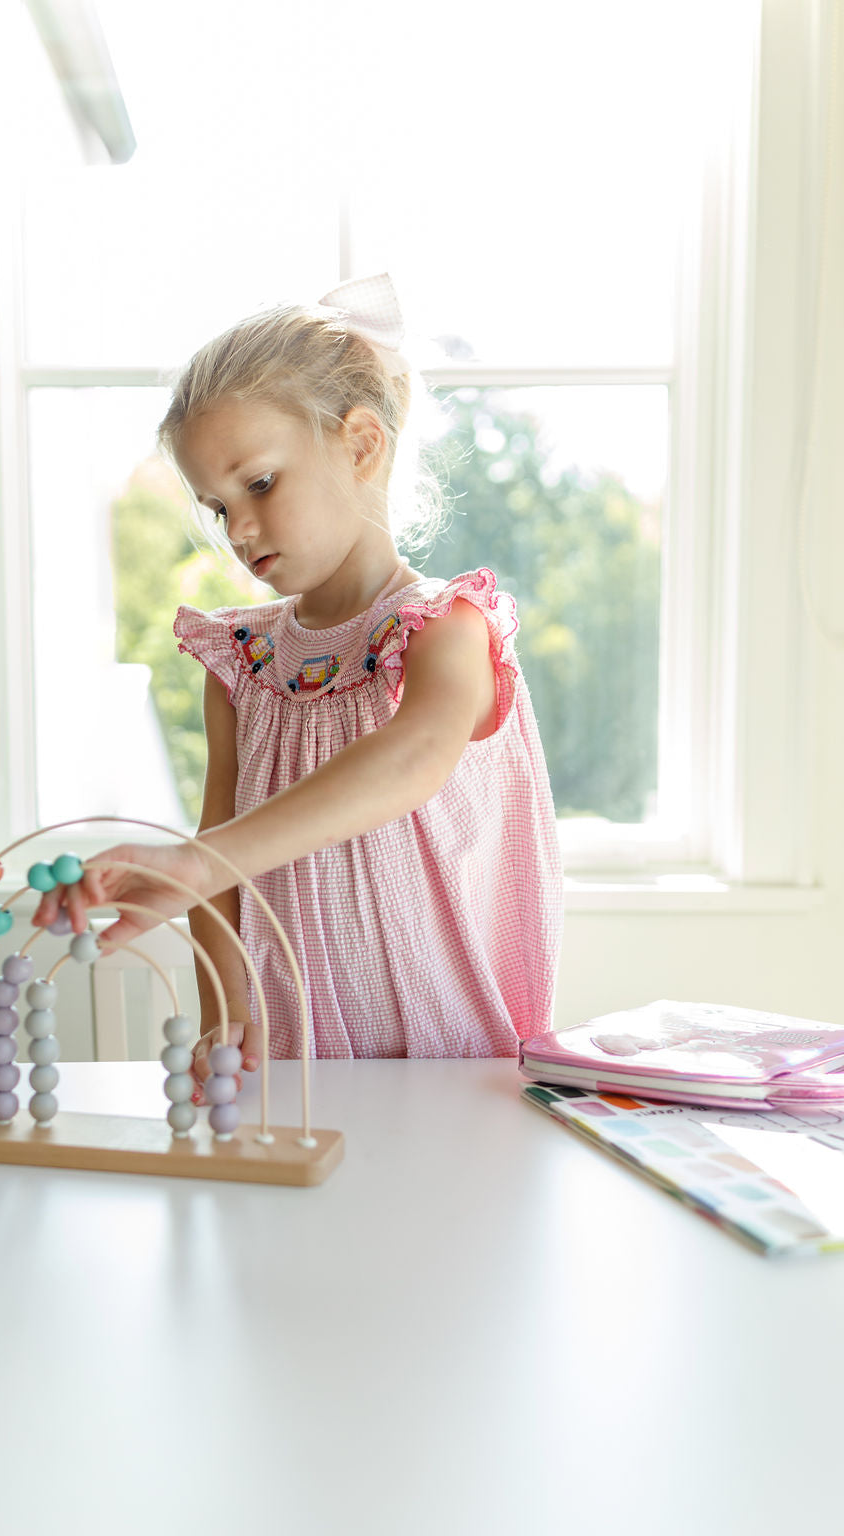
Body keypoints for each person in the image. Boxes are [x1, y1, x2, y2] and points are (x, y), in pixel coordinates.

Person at [33, 274, 563, 1099]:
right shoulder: (239, 664)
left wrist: (194, 863)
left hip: (455, 1073)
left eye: (260, 484)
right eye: (216, 507)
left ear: (360, 444)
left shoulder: (447, 630)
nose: (238, 529)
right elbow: (220, 855)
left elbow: (410, 759)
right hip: (295, 1069)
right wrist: (225, 1011)